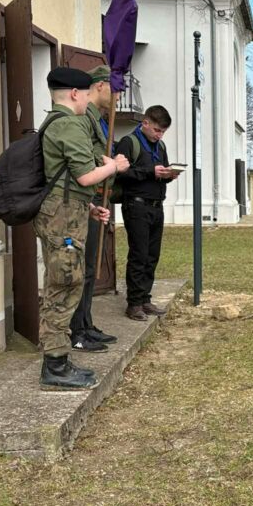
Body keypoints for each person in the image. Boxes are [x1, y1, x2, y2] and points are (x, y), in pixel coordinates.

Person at [35, 67, 129, 390]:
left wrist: (88, 208)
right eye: (87, 94)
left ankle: (59, 359)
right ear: (75, 93)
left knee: (65, 281)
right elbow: (85, 175)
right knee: (64, 284)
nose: (89, 99)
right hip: (62, 218)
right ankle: (55, 365)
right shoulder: (69, 125)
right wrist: (113, 166)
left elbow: (64, 178)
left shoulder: (57, 122)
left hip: (66, 212)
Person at [68, 65, 119, 352]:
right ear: (100, 85)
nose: (118, 97)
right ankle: (77, 330)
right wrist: (113, 166)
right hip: (86, 199)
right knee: (82, 269)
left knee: (90, 267)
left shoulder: (99, 118)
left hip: (97, 198)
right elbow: (86, 160)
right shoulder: (83, 117)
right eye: (115, 89)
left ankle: (86, 323)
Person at [115, 105, 178, 321]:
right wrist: (150, 171)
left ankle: (145, 298)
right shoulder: (129, 142)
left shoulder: (160, 146)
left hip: (156, 206)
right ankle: (133, 304)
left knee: (152, 256)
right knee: (139, 255)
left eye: (163, 132)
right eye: (157, 130)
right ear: (145, 123)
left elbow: (160, 173)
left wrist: (168, 175)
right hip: (136, 205)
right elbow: (120, 173)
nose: (159, 135)